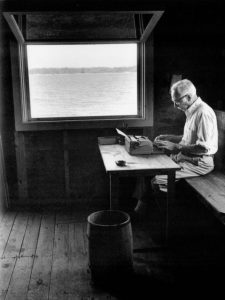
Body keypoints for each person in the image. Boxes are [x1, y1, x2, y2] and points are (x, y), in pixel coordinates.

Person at [134, 79, 218, 214]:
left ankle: (169, 220)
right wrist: (169, 137)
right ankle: (142, 210)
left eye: (177, 101)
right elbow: (188, 139)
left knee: (157, 181)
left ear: (189, 97)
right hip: (186, 157)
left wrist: (176, 147)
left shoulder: (203, 113)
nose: (174, 105)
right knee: (147, 170)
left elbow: (204, 148)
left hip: (200, 162)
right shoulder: (192, 110)